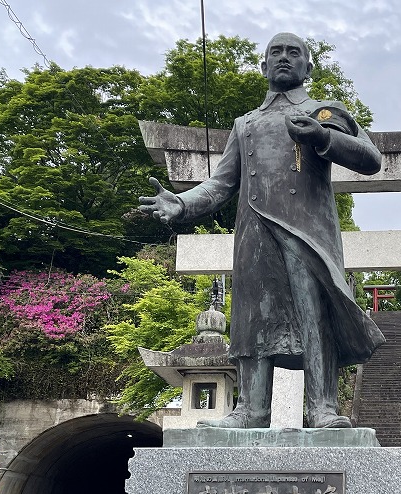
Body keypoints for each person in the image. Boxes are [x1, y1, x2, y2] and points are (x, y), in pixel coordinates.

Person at [139, 32, 385, 428]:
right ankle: (251, 410)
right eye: (276, 52)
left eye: (294, 53)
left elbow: (371, 159)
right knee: (253, 316)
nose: (284, 58)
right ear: (263, 65)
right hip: (253, 229)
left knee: (314, 312)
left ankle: (322, 407)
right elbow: (221, 183)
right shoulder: (245, 124)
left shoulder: (324, 111)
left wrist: (323, 136)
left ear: (308, 66)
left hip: (308, 230)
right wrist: (182, 203)